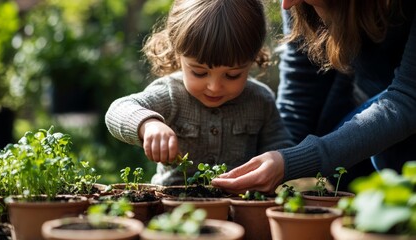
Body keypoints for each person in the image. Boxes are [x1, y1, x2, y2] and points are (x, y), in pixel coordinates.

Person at [212, 0, 416, 194]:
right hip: (364, 103)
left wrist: (295, 162)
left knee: (390, 149)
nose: (287, 4)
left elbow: (409, 98)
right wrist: (274, 157)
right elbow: (302, 92)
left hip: (400, 125)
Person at [105, 0, 293, 185]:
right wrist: (148, 124)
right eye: (200, 72)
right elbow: (117, 110)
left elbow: (280, 149)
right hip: (175, 206)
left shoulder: (261, 100)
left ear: (253, 59)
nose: (214, 86)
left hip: (239, 206)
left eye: (232, 75)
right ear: (178, 52)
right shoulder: (171, 94)